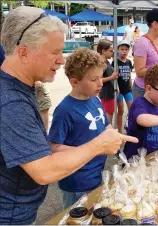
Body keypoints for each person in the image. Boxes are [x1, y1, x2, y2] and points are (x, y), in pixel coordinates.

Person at [0, 6, 137, 225]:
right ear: (24, 52)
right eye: (54, 52)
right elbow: (43, 171)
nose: (62, 60)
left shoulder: (19, 90)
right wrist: (99, 145)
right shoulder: (11, 101)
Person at [48, 48, 111, 209]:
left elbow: (106, 126)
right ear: (74, 82)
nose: (100, 83)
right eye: (94, 79)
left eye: (101, 77)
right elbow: (54, 147)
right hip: (76, 183)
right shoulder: (64, 110)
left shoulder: (94, 100)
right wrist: (93, 149)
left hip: (97, 175)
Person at [112, 40, 133, 133]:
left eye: (126, 49)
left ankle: (130, 129)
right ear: (118, 50)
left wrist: (131, 88)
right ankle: (119, 131)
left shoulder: (129, 62)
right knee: (120, 110)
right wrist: (117, 89)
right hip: (119, 91)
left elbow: (129, 76)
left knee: (132, 110)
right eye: (122, 49)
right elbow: (114, 78)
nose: (124, 51)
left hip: (128, 90)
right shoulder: (115, 62)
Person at [97, 39, 119, 125]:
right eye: (110, 50)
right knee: (108, 117)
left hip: (109, 92)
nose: (112, 52)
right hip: (107, 94)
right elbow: (98, 79)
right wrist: (111, 77)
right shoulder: (102, 63)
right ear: (103, 51)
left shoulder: (106, 62)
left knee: (109, 114)